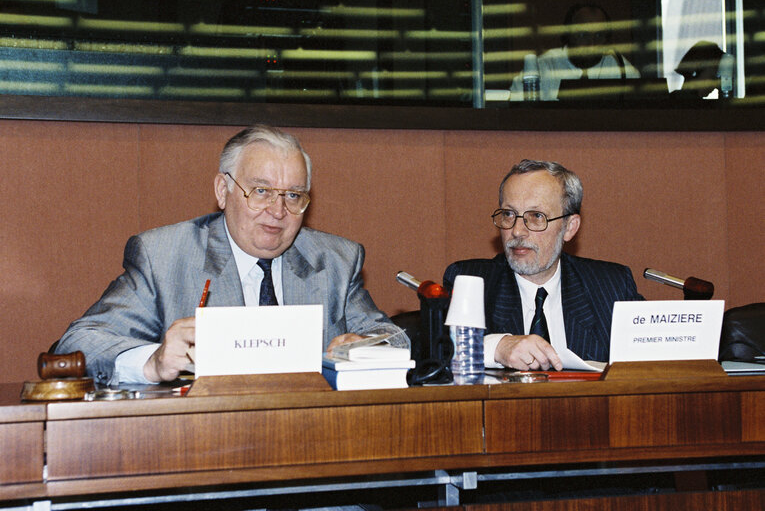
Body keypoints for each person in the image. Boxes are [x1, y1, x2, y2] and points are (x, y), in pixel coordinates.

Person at [55, 124, 406, 386]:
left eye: (294, 196)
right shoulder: (164, 257)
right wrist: (153, 361)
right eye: (262, 191)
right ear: (223, 191)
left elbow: (393, 338)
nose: (277, 210)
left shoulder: (335, 261)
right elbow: (78, 343)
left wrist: (363, 347)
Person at [443, 159, 643, 371]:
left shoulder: (610, 286)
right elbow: (432, 350)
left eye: (536, 216)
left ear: (569, 227)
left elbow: (657, 354)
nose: (517, 231)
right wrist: (497, 347)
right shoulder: (472, 281)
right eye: (509, 214)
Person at [510, 3, 640, 101]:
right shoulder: (542, 67)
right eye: (583, 35)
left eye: (599, 35)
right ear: (568, 35)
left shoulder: (621, 69)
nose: (592, 45)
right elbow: (516, 110)